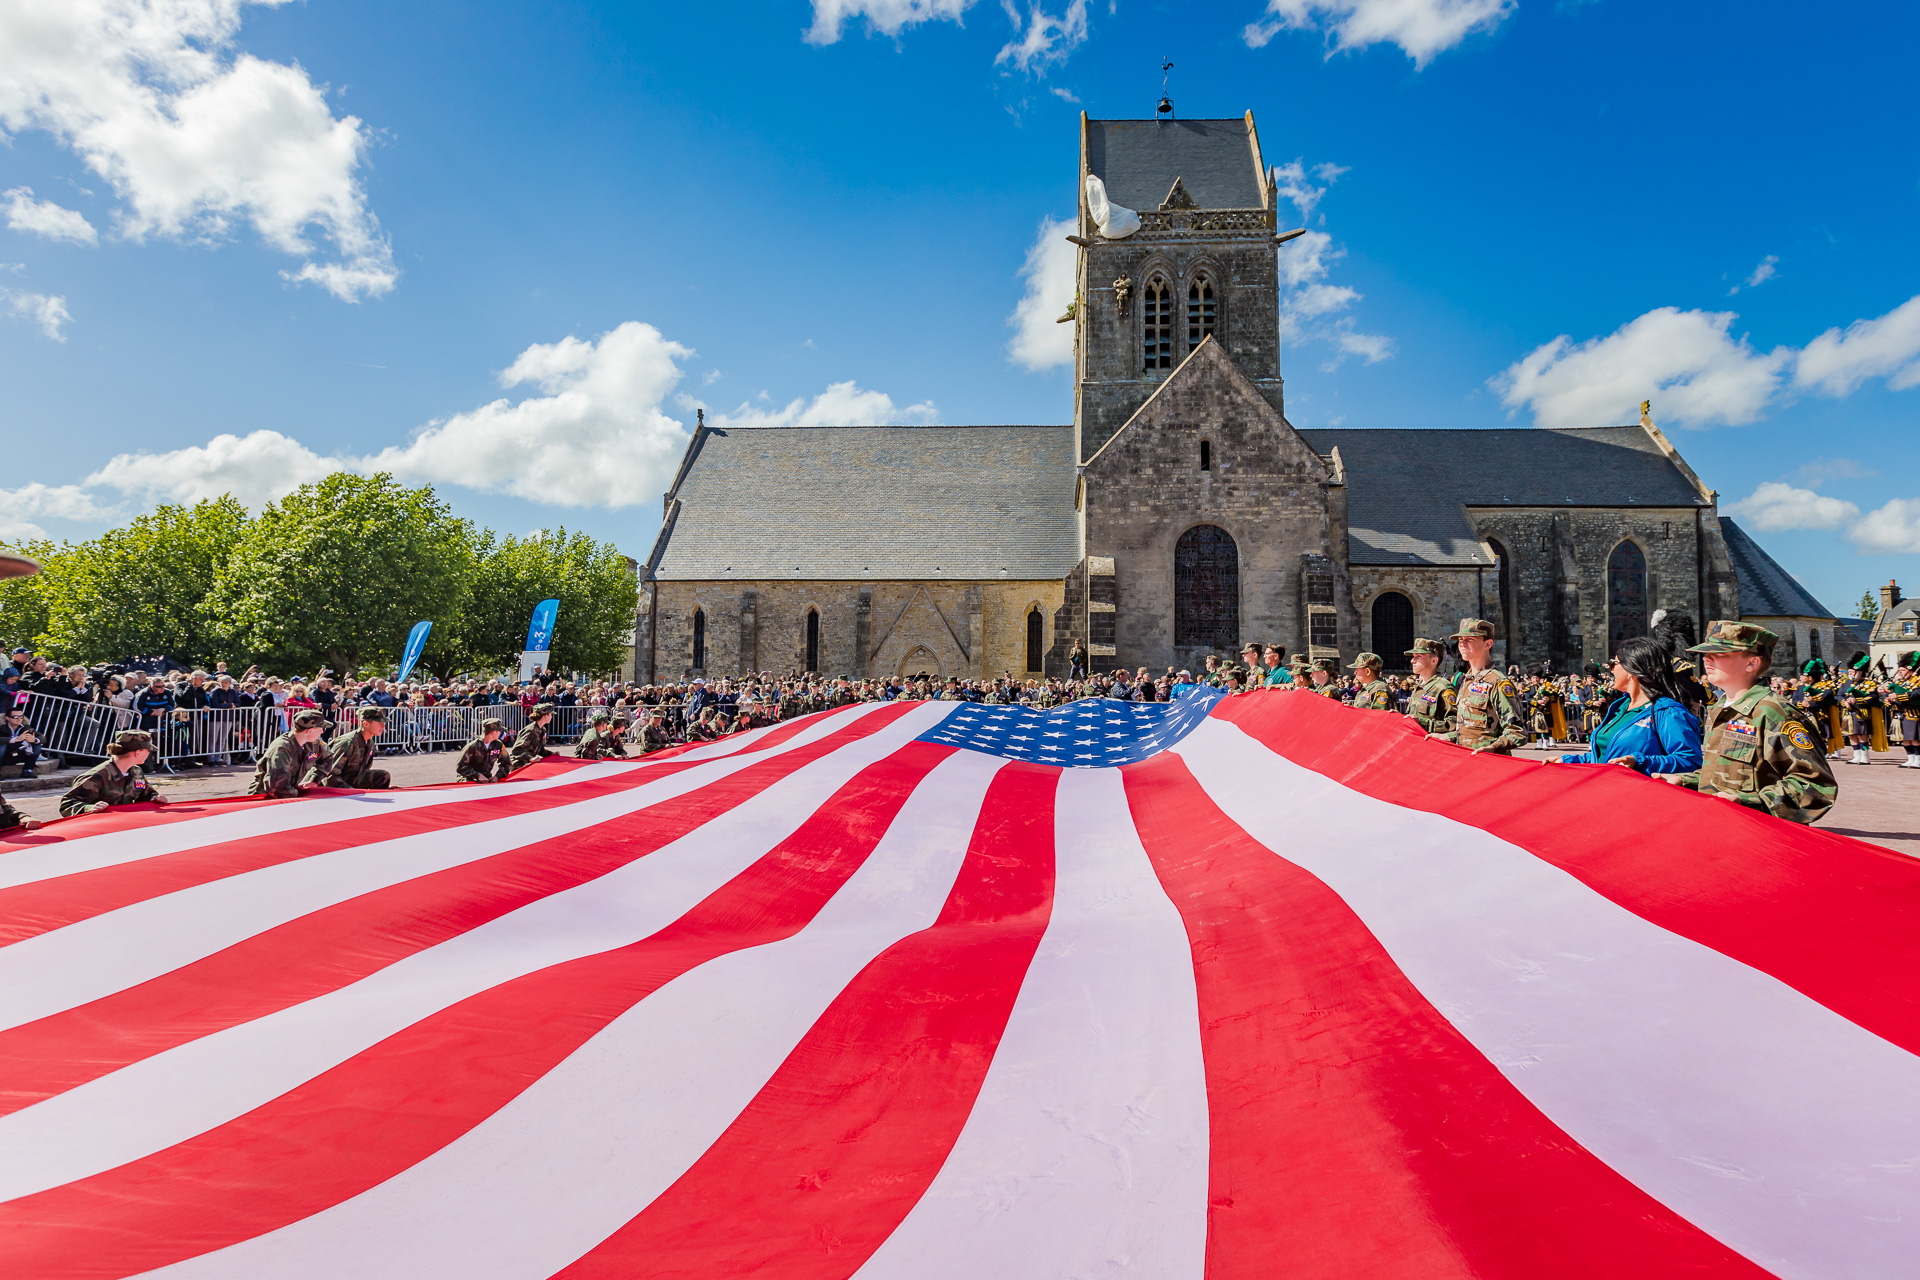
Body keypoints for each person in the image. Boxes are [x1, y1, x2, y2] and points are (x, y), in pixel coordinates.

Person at [1674, 621, 1836, 823]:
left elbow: (1815, 785)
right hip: (1722, 827)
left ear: (1752, 663)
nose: (1707, 658)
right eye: (1706, 652)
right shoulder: (1721, 707)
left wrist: (1751, 802)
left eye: (1720, 653)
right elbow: (1724, 776)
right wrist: (1683, 781)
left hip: (1760, 833)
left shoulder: (1774, 713)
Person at [1554, 637, 1703, 775]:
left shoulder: (1669, 712)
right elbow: (1606, 756)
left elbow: (1689, 762)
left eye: (1614, 663)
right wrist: (1569, 761)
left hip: (1641, 796)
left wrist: (1641, 762)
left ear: (1631, 669)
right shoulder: (1620, 707)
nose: (1611, 669)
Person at [1433, 619, 1527, 754]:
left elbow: (1517, 732)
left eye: (1470, 639)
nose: (1462, 643)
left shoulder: (1497, 682)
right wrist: (1447, 736)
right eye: (1460, 639)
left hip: (1490, 763)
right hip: (1467, 760)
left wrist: (1493, 748)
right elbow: (1471, 730)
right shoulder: (1467, 680)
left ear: (1487, 644)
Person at [60, 730, 169, 816]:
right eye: (148, 750)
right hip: (100, 830)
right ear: (138, 753)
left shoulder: (136, 772)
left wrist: (154, 798)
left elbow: (145, 794)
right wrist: (89, 808)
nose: (149, 753)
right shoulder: (97, 776)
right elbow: (67, 804)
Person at [248, 709, 329, 799]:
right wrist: (299, 796)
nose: (322, 732)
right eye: (321, 728)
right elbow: (277, 788)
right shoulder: (281, 749)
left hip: (289, 794)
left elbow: (328, 757)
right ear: (309, 731)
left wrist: (315, 780)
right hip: (265, 799)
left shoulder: (314, 743)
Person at [310, 706, 394, 789]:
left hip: (348, 778)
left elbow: (363, 771)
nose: (383, 727)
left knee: (382, 776)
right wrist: (351, 791)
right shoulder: (348, 742)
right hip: (330, 783)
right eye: (380, 723)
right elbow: (329, 776)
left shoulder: (369, 742)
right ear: (366, 724)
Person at [1404, 638, 1454, 734]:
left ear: (1434, 660)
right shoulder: (1419, 687)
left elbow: (1454, 723)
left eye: (1418, 656)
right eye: (1413, 656)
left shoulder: (1443, 687)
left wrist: (1422, 723)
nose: (1412, 661)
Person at [1886, 654, 1920, 769]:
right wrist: (1889, 699)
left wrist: (1898, 696)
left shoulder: (1917, 680)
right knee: (1906, 739)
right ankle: (1910, 759)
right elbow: (1890, 694)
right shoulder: (1900, 682)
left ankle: (1918, 759)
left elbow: (1916, 694)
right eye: (1899, 670)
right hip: (1900, 714)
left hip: (1913, 712)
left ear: (1910, 670)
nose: (1900, 672)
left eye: (1903, 670)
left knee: (1914, 738)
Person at [508, 702, 558, 773]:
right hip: (518, 766)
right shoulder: (530, 730)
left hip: (528, 764)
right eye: (550, 714)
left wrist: (551, 754)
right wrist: (531, 758)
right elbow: (516, 750)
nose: (551, 717)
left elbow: (539, 750)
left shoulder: (543, 730)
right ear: (545, 716)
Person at [1, 706, 43, 778]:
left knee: (37, 745)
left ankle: (27, 770)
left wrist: (34, 740)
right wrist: (15, 739)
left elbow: (42, 737)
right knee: (2, 746)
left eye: (21, 716)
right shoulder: (1, 727)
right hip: (5, 755)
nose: (19, 719)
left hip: (17, 754)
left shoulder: (25, 727)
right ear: (7, 718)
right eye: (15, 717)